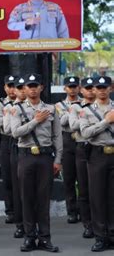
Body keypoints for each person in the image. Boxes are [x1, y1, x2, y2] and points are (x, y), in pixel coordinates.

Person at [10, 73, 62, 252]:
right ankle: (29, 237)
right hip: (26, 157)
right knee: (27, 198)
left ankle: (45, 238)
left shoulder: (52, 109)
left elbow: (57, 137)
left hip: (45, 158)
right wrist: (35, 121)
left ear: (41, 87)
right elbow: (15, 132)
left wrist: (58, 160)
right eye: (29, 85)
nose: (32, 88)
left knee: (43, 199)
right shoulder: (16, 109)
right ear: (24, 89)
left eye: (36, 85)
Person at [79, 76, 114, 252]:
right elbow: (85, 133)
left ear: (111, 88)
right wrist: (106, 121)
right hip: (97, 155)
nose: (101, 90)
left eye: (104, 87)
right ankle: (101, 236)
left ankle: (113, 233)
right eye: (98, 87)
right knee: (97, 197)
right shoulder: (86, 111)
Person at [68, 77, 96, 239]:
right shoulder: (75, 107)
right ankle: (89, 224)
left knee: (102, 190)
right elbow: (73, 125)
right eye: (87, 88)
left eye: (93, 87)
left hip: (102, 149)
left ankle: (105, 224)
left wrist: (86, 123)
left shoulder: (109, 106)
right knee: (84, 189)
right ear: (81, 90)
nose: (91, 90)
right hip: (83, 148)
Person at [3, 76, 27, 239]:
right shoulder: (9, 107)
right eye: (16, 88)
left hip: (34, 149)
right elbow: (7, 128)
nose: (18, 90)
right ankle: (20, 223)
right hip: (15, 146)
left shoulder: (41, 107)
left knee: (32, 190)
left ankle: (35, 225)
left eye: (21, 87)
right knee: (17, 187)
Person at [55, 77, 81, 224]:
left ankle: (84, 211)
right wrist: (74, 111)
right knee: (69, 179)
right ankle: (72, 211)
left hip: (81, 139)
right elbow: (63, 121)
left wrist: (71, 113)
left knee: (84, 180)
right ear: (65, 88)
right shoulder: (59, 105)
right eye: (69, 86)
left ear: (79, 88)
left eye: (75, 86)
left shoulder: (85, 103)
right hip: (67, 141)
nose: (72, 89)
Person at [0, 75, 17, 224]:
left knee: (20, 178)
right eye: (9, 86)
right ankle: (11, 211)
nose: (12, 89)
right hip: (6, 140)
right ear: (5, 88)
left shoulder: (25, 102)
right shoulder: (0, 103)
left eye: (14, 85)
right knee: (8, 178)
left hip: (20, 140)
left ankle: (22, 211)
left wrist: (7, 117)